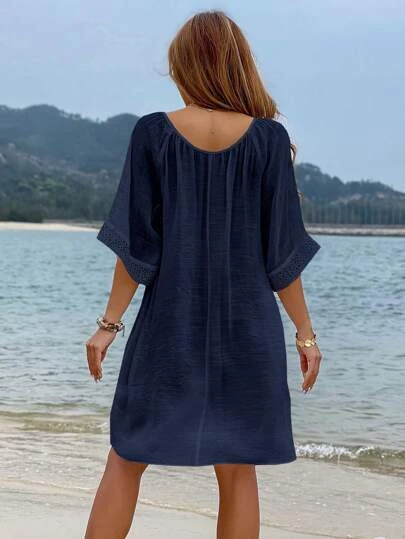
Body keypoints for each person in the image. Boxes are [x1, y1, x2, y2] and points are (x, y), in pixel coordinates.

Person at [84, 9, 322, 539]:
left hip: (167, 326)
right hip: (250, 332)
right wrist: (305, 334)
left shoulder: (153, 133)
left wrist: (109, 324)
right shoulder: (268, 140)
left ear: (185, 65)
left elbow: (135, 247)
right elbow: (282, 256)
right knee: (238, 470)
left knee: (126, 456)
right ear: (238, 65)